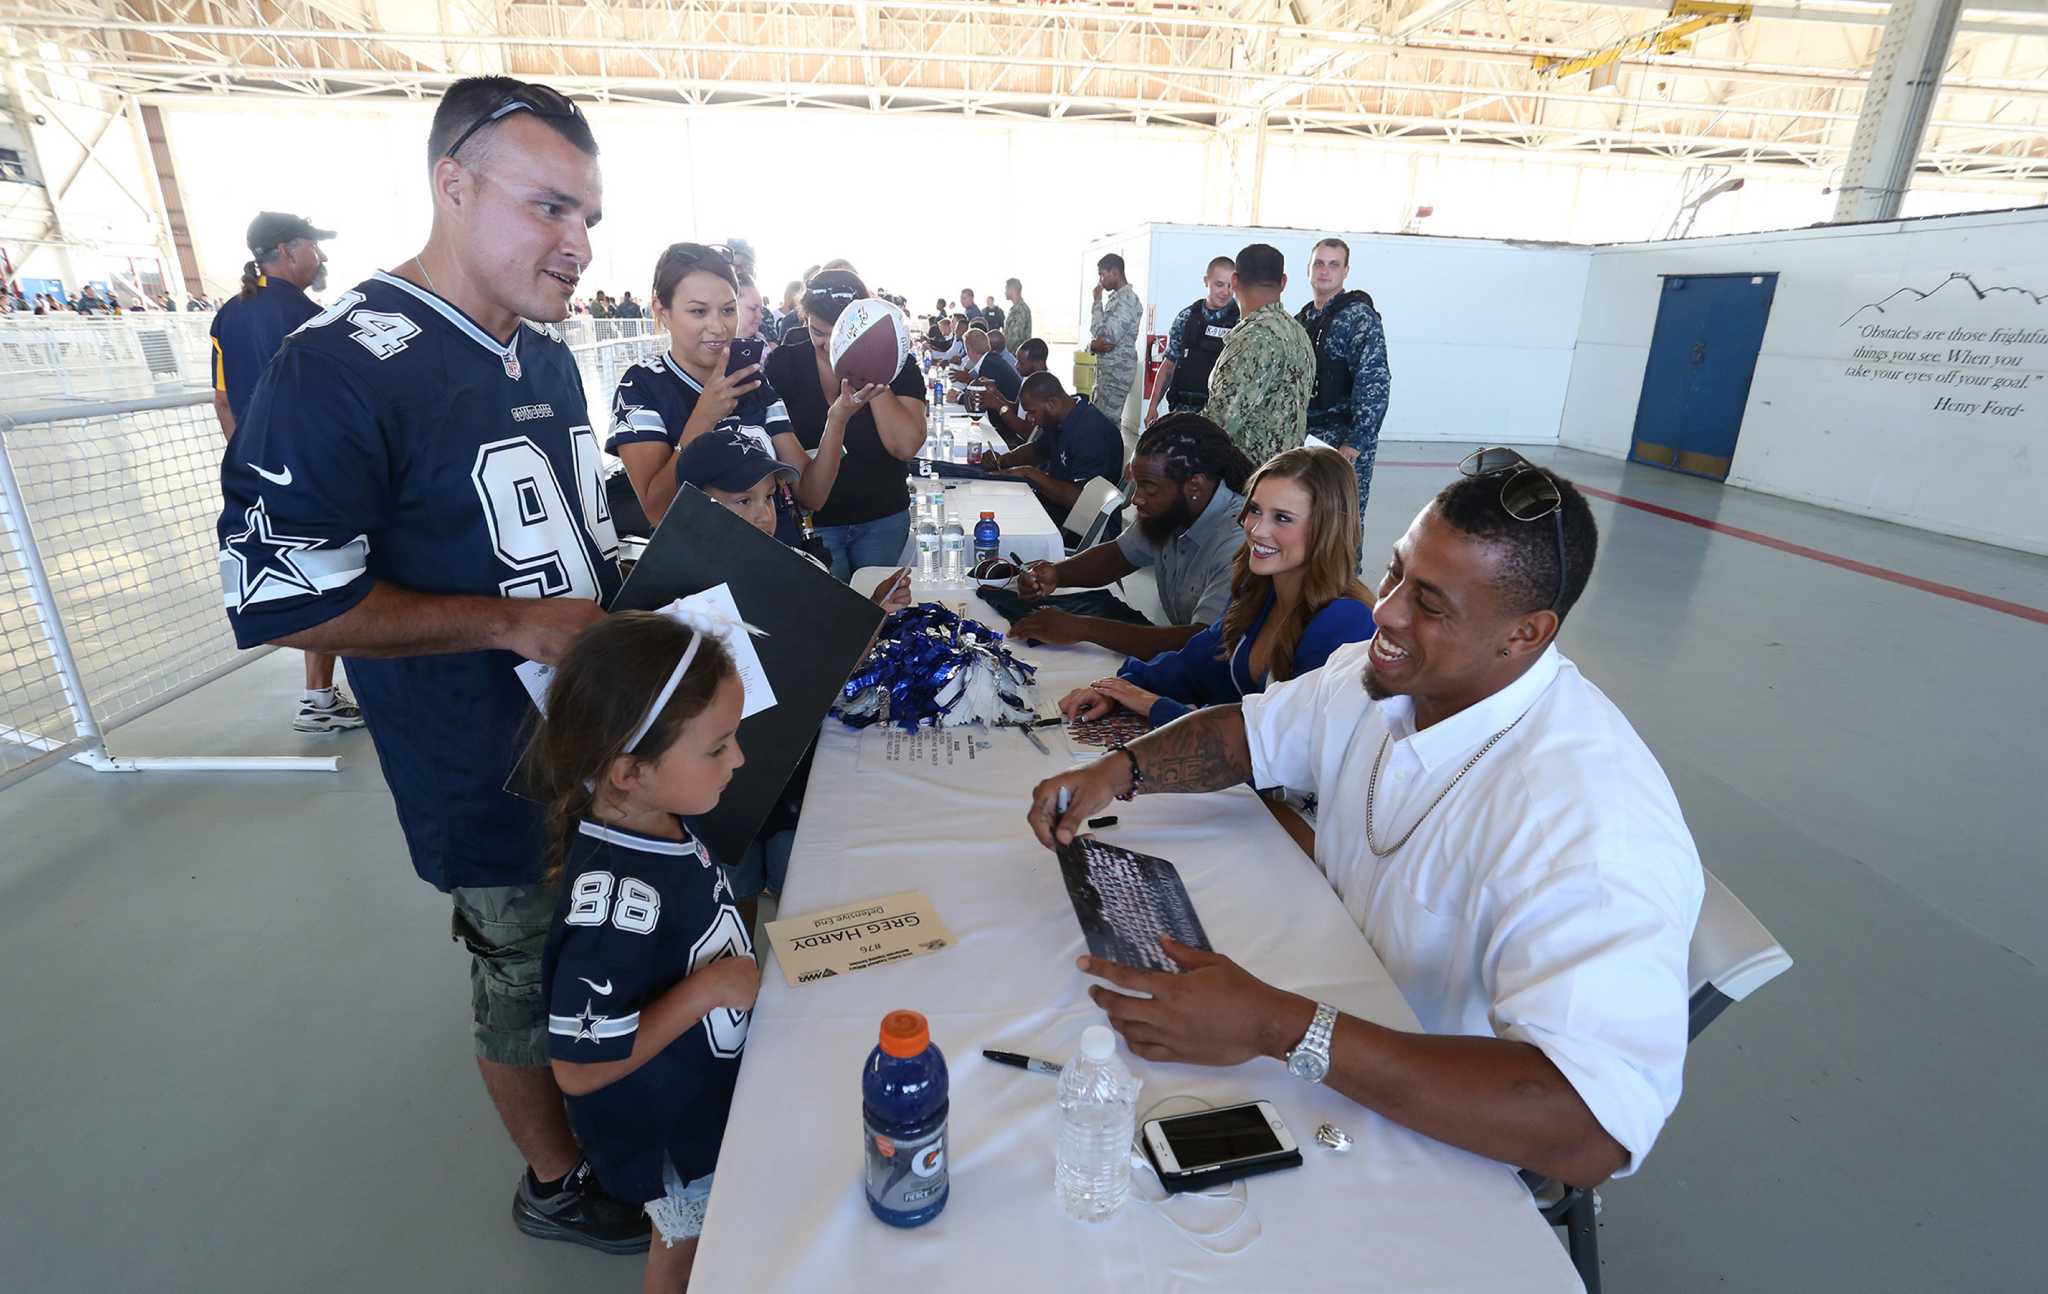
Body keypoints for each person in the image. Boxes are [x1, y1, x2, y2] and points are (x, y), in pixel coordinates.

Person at [215, 76, 650, 1252]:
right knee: (516, 960)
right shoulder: (336, 363)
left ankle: (616, 1113)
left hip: (599, 735)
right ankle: (552, 1181)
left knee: (594, 935)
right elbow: (278, 598)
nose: (578, 243)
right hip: (480, 760)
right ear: (451, 185)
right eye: (549, 207)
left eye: (591, 216)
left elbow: (572, 538)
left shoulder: (545, 355)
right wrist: (506, 625)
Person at [1026, 449, 1704, 1192]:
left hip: (1436, 1134)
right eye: (1395, 572)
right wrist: (1118, 772)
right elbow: (1248, 736)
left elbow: (1587, 1127)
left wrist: (1279, 1027)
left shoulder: (1592, 823)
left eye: (1431, 603)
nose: (1385, 612)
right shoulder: (1380, 675)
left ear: (1525, 634)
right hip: (1323, 1022)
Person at [533, 612, 761, 1292]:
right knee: (684, 1246)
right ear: (631, 771)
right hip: (671, 1125)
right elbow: (576, 1065)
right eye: (719, 747)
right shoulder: (615, 904)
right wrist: (708, 991)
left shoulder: (661, 821)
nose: (740, 759)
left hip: (702, 1094)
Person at [1059, 446, 1372, 728]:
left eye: (1283, 518)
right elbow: (1192, 665)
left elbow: (1273, 749)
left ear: (1325, 529)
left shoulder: (1344, 623)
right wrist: (1117, 689)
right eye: (1255, 510)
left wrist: (1156, 707)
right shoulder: (1261, 595)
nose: (1258, 530)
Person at [207, 210, 362, 736]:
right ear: (288, 252)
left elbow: (224, 399)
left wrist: (250, 461)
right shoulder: (318, 316)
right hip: (321, 470)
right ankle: (323, 696)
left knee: (298, 577)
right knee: (340, 579)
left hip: (260, 478)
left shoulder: (229, 314)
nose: (320, 258)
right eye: (314, 247)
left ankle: (319, 695)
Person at [606, 242, 851, 533]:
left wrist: (838, 419)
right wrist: (704, 417)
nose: (718, 327)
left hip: (777, 561)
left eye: (727, 310)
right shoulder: (641, 387)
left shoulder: (753, 381)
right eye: (698, 312)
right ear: (663, 311)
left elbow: (811, 495)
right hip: (708, 573)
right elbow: (658, 511)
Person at [1010, 414, 1251, 657]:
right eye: (1137, 485)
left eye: (1149, 488)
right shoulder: (1173, 510)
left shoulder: (1238, 541)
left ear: (1195, 486)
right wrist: (1056, 574)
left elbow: (1202, 643)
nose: (1136, 499)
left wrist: (1085, 628)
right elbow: (1119, 555)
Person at [763, 269, 928, 580]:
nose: (826, 345)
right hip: (815, 521)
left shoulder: (898, 363)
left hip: (882, 515)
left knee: (879, 613)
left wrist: (872, 369)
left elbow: (905, 445)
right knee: (831, 618)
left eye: (838, 335)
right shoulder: (785, 364)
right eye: (817, 332)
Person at [1298, 237, 1393, 520]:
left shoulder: (1358, 318)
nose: (1324, 271)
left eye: (1333, 264)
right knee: (1306, 521)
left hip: (1343, 442)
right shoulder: (1301, 320)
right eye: (1319, 263)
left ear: (1345, 271)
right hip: (1306, 440)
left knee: (1342, 524)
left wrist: (1355, 443)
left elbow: (1374, 384)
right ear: (1309, 268)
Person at [1206, 242, 1315, 469]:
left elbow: (1220, 423)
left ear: (1234, 281)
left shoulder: (1253, 338)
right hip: (1287, 474)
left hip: (1250, 479)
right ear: (1283, 282)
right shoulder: (1298, 333)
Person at [975, 371, 1125, 515]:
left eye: (1032, 412)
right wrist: (1003, 459)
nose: (1030, 419)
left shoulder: (1092, 433)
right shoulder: (1063, 417)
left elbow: (1083, 501)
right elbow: (1036, 450)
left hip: (1078, 522)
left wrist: (1030, 474)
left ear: (1052, 403)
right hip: (1057, 507)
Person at [1145, 256, 1239, 424]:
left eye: (1230, 286)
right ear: (1206, 281)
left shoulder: (1239, 323)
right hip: (1181, 411)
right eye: (1219, 284)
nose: (1225, 292)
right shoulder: (1186, 318)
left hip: (1218, 417)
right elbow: (1168, 365)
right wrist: (1152, 407)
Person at [1087, 254, 1142, 434]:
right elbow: (1100, 338)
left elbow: (1105, 338)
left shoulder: (1126, 301)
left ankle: (1109, 461)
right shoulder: (1117, 299)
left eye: (1102, 274)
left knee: (1105, 424)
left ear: (1115, 273)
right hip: (1109, 371)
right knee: (1103, 421)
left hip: (1117, 373)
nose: (1100, 281)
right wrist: (1094, 344)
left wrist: (1096, 302)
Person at [977, 336, 1048, 448]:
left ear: (1038, 363)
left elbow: (1027, 432)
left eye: (1021, 363)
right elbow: (1017, 409)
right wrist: (996, 393)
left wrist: (997, 404)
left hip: (1026, 446)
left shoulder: (1043, 387)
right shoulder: (1028, 377)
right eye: (1017, 360)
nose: (1016, 366)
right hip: (1016, 438)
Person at [955, 327, 1020, 406]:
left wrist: (958, 397)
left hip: (1008, 414)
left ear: (969, 349)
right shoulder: (990, 359)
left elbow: (981, 399)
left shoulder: (988, 365)